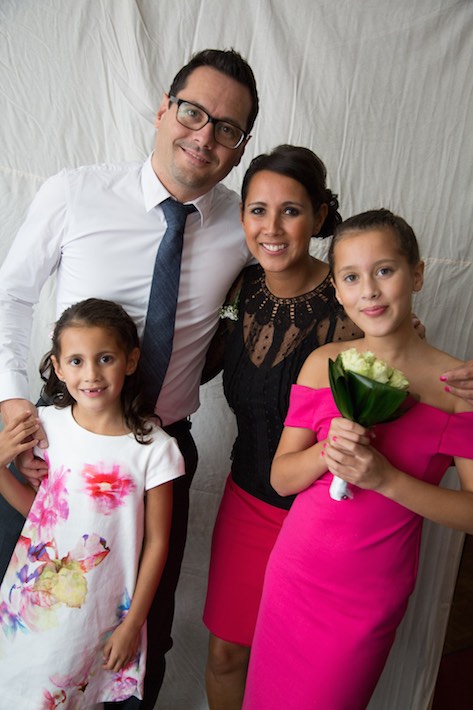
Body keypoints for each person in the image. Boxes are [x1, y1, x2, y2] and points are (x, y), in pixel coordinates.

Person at [0, 48, 258, 707]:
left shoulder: (244, 226)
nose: (204, 136)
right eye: (192, 112)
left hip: (158, 456)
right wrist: (11, 405)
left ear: (239, 149)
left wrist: (377, 328)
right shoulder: (76, 192)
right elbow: (12, 294)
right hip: (55, 445)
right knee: (26, 618)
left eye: (227, 128)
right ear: (163, 110)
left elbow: (299, 279)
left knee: (141, 636)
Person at [242, 209, 473, 710]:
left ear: (417, 274)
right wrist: (328, 454)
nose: (369, 290)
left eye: (384, 270)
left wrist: (386, 479)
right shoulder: (322, 363)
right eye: (351, 277)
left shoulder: (460, 388)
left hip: (368, 594)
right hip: (296, 572)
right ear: (339, 291)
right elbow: (281, 478)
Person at [203, 145, 363, 709]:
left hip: (324, 514)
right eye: (258, 210)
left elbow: (402, 372)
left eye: (290, 211)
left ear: (319, 217)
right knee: (226, 653)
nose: (271, 228)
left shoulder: (353, 297)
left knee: (301, 668)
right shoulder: (239, 287)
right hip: (247, 498)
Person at [0, 298, 184, 707]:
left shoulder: (156, 450)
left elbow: (157, 543)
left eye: (105, 358)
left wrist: (132, 624)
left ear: (130, 360)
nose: (91, 375)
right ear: (58, 367)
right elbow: (38, 515)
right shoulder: (46, 427)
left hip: (96, 613)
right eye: (77, 361)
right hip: (32, 605)